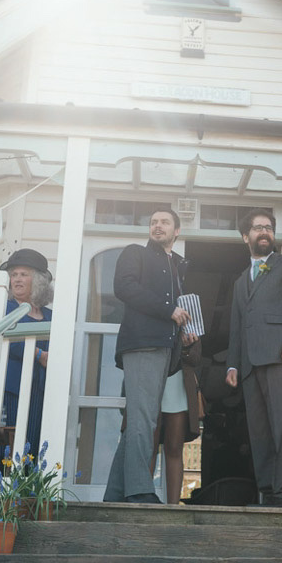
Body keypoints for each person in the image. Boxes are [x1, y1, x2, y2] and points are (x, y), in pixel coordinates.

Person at [104, 208, 190, 505]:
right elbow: (124, 287)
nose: (158, 226)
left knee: (140, 420)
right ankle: (140, 489)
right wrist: (169, 311)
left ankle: (114, 494)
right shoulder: (135, 253)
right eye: (153, 221)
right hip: (142, 344)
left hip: (165, 348)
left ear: (176, 231)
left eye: (165, 222)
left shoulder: (176, 265)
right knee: (143, 418)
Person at [225, 209, 282, 508]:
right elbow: (236, 325)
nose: (264, 232)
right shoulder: (240, 280)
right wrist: (233, 363)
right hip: (249, 365)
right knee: (259, 432)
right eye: (258, 228)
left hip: (281, 358)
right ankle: (268, 491)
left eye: (269, 228)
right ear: (246, 237)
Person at [0, 248, 53, 462]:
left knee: (35, 441)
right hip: (11, 388)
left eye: (23, 274)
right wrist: (39, 354)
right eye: (13, 275)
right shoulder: (6, 307)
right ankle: (7, 490)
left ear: (38, 280)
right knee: (10, 441)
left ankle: (30, 490)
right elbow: (4, 338)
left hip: (41, 390)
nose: (17, 280)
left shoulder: (50, 316)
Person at [149, 338, 204, 504]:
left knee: (174, 447)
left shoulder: (188, 316)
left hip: (178, 380)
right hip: (150, 378)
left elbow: (195, 357)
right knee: (148, 446)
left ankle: (173, 507)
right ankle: (140, 500)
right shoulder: (151, 312)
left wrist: (187, 345)